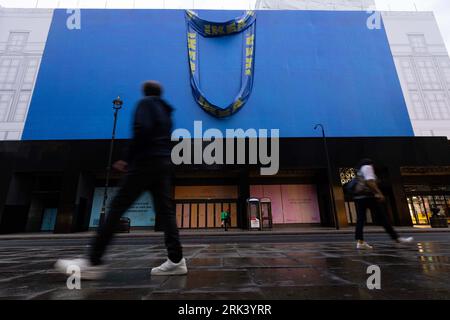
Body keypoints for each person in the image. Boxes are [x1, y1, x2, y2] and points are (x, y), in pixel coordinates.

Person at [55, 81, 187, 279]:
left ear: (145, 92)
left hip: (145, 162)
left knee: (117, 207)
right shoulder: (166, 112)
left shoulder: (145, 104)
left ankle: (93, 261)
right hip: (163, 163)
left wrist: (127, 157)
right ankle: (176, 260)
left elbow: (141, 130)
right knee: (165, 212)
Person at [353, 158, 413, 249]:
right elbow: (370, 182)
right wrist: (379, 193)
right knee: (382, 218)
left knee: (360, 219)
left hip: (359, 197)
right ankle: (396, 238)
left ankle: (360, 241)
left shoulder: (360, 170)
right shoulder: (367, 167)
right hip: (368, 196)